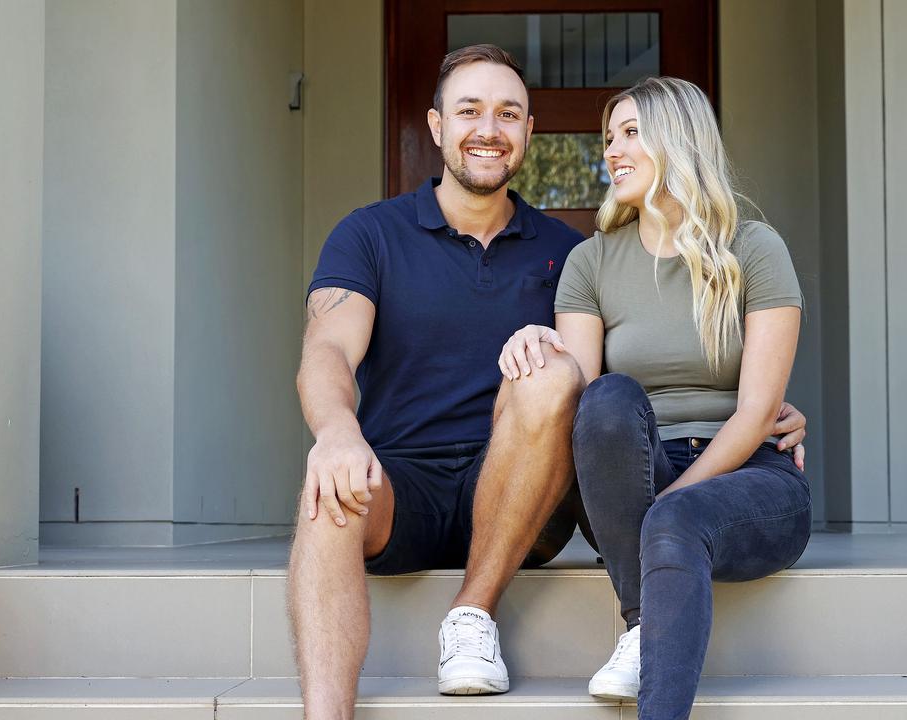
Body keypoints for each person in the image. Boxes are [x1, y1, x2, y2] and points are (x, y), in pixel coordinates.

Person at [291, 44, 808, 719]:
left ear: (529, 133)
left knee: (553, 378)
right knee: (327, 488)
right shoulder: (371, 236)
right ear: (436, 125)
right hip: (404, 481)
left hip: (521, 494)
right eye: (469, 110)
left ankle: (475, 613)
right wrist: (334, 433)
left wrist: (761, 407)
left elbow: (603, 393)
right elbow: (326, 347)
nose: (488, 128)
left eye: (508, 113)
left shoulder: (565, 251)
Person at [498, 77, 810, 719]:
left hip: (751, 476)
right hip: (633, 473)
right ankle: (647, 618)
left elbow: (756, 411)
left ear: (681, 139)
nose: (612, 150)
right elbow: (581, 406)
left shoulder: (755, 251)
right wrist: (539, 343)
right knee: (607, 396)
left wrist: (662, 508)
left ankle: (647, 644)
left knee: (675, 520)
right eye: (608, 138)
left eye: (631, 133)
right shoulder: (590, 263)